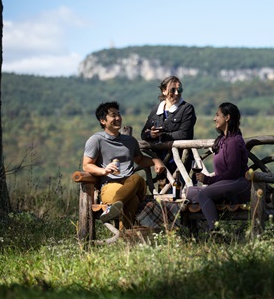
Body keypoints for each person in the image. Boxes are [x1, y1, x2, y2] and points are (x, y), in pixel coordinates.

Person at [83, 101, 166, 229]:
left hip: (133, 185)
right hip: (110, 185)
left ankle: (115, 205)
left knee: (137, 178)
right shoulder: (96, 140)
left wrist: (155, 160)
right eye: (113, 115)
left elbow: (140, 159)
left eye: (119, 114)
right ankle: (124, 240)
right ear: (103, 121)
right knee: (131, 201)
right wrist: (104, 171)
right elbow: (86, 165)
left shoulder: (130, 141)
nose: (117, 118)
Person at [185, 102, 250, 231]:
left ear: (227, 117)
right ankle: (200, 226)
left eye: (217, 115)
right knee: (189, 192)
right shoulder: (222, 140)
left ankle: (215, 231)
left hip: (238, 183)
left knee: (204, 195)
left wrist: (208, 180)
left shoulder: (234, 141)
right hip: (226, 184)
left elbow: (233, 173)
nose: (214, 118)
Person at [141, 75, 196, 146]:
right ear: (164, 91)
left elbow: (183, 134)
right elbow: (143, 134)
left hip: (180, 155)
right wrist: (151, 134)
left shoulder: (187, 108)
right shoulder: (156, 110)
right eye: (172, 90)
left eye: (179, 90)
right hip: (158, 155)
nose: (176, 93)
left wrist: (160, 136)